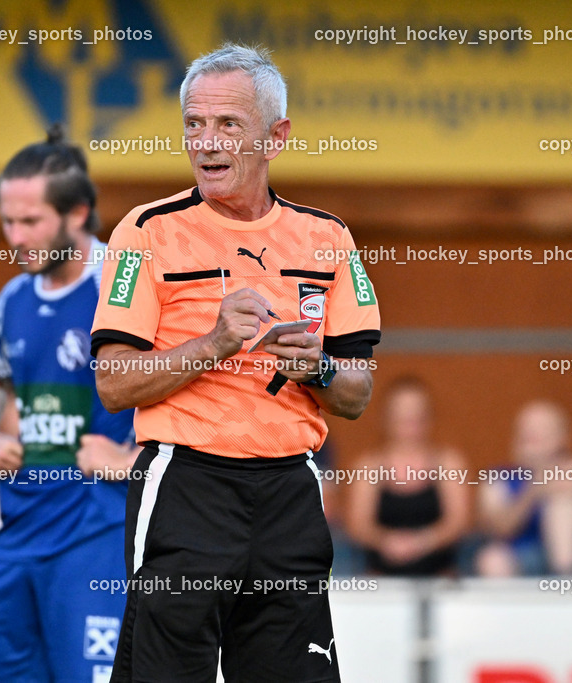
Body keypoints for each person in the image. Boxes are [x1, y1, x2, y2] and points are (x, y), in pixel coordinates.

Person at [91, 44, 381, 682]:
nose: (206, 141)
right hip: (186, 487)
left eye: (228, 125)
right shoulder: (144, 232)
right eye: (194, 123)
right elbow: (112, 384)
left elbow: (358, 392)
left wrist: (321, 369)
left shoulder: (329, 237)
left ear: (275, 136)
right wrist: (212, 344)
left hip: (290, 495)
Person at [0, 129, 137, 683]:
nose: (15, 236)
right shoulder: (13, 298)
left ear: (77, 212)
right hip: (20, 529)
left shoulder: (124, 286)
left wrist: (134, 460)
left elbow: (197, 382)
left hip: (95, 532)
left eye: (30, 221)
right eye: (8, 221)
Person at [346, 377, 469, 576]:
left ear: (429, 418)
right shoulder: (369, 465)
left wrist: (422, 542)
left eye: (416, 417)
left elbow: (458, 521)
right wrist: (386, 541)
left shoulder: (448, 462)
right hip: (381, 578)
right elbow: (358, 524)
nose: (409, 425)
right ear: (385, 419)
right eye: (401, 417)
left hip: (439, 575)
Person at [475, 400, 572, 576]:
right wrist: (534, 489)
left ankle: (566, 582)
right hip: (519, 557)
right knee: (492, 559)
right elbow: (499, 529)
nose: (531, 434)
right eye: (525, 429)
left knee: (563, 504)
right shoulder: (498, 478)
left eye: (542, 429)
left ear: (562, 437)